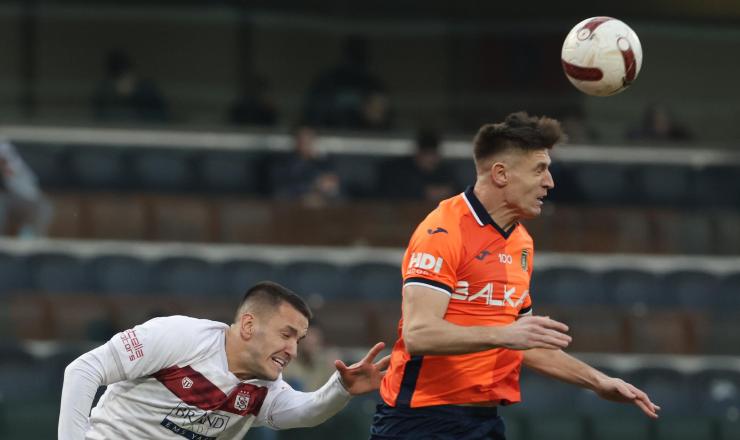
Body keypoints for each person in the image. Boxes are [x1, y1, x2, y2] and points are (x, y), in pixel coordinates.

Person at [370, 112, 660, 439]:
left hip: (483, 421)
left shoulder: (521, 242)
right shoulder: (443, 231)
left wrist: (598, 382)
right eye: (539, 169)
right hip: (419, 419)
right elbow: (419, 334)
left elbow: (524, 342)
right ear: (501, 174)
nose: (549, 182)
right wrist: (503, 334)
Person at [58, 281, 389, 439]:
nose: (293, 350)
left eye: (298, 340)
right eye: (286, 334)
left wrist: (341, 389)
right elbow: (83, 370)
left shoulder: (265, 388)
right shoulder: (179, 336)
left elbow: (306, 411)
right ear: (248, 325)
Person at [303, 36, 393, 131]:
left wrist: (375, 116)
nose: (354, 61)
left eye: (359, 56)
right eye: (352, 55)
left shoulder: (373, 85)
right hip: (329, 135)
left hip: (364, 136)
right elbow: (311, 119)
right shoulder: (327, 82)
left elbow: (384, 123)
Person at [270, 125, 342, 206]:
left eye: (309, 139)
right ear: (295, 141)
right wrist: (312, 186)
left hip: (321, 207)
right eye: (302, 140)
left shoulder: (324, 164)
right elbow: (280, 190)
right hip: (292, 206)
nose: (305, 143)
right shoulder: (282, 163)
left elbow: (336, 191)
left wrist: (328, 190)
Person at [378, 128, 458, 201]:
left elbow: (457, 191)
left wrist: (445, 192)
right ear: (418, 154)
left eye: (434, 154)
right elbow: (391, 195)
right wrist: (422, 192)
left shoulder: (444, 171)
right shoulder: (398, 170)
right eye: (427, 154)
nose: (432, 159)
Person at [92, 49, 169, 123]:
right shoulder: (103, 94)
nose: (123, 82)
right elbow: (97, 118)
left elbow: (162, 117)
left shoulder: (147, 92)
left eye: (125, 75)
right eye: (118, 77)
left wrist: (135, 95)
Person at [0, 139, 53, 237]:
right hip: (9, 198)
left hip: (29, 198)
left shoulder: (15, 160)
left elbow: (9, 169)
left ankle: (29, 241)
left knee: (44, 208)